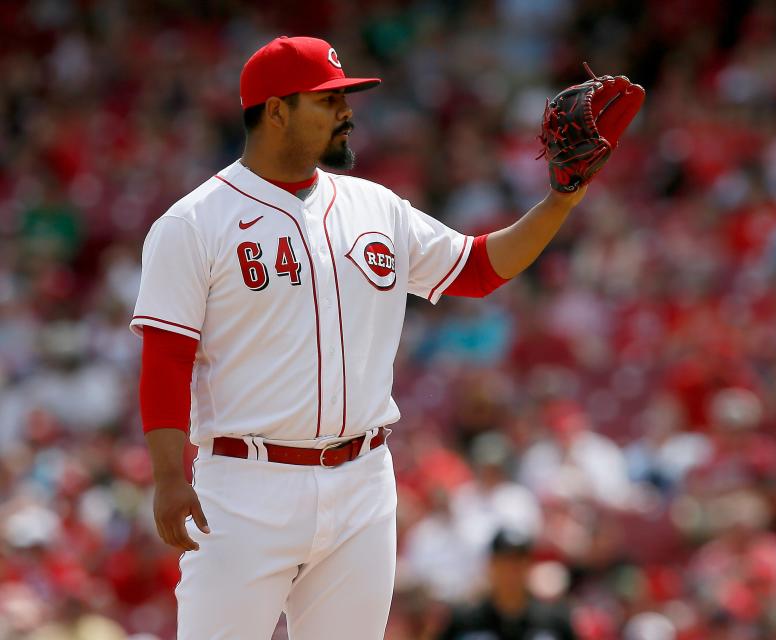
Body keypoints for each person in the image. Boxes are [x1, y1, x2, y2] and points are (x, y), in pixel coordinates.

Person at [132, 35, 624, 639]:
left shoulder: (376, 206)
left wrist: (561, 198)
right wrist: (166, 477)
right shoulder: (193, 222)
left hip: (362, 481)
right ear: (276, 109)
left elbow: (476, 269)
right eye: (328, 99)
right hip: (243, 486)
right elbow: (166, 358)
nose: (346, 112)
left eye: (346, 98)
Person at [438, 529, 577, 640]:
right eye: (504, 564)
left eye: (517, 564)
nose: (511, 573)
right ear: (491, 567)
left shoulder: (554, 621)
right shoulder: (464, 622)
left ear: (528, 566)